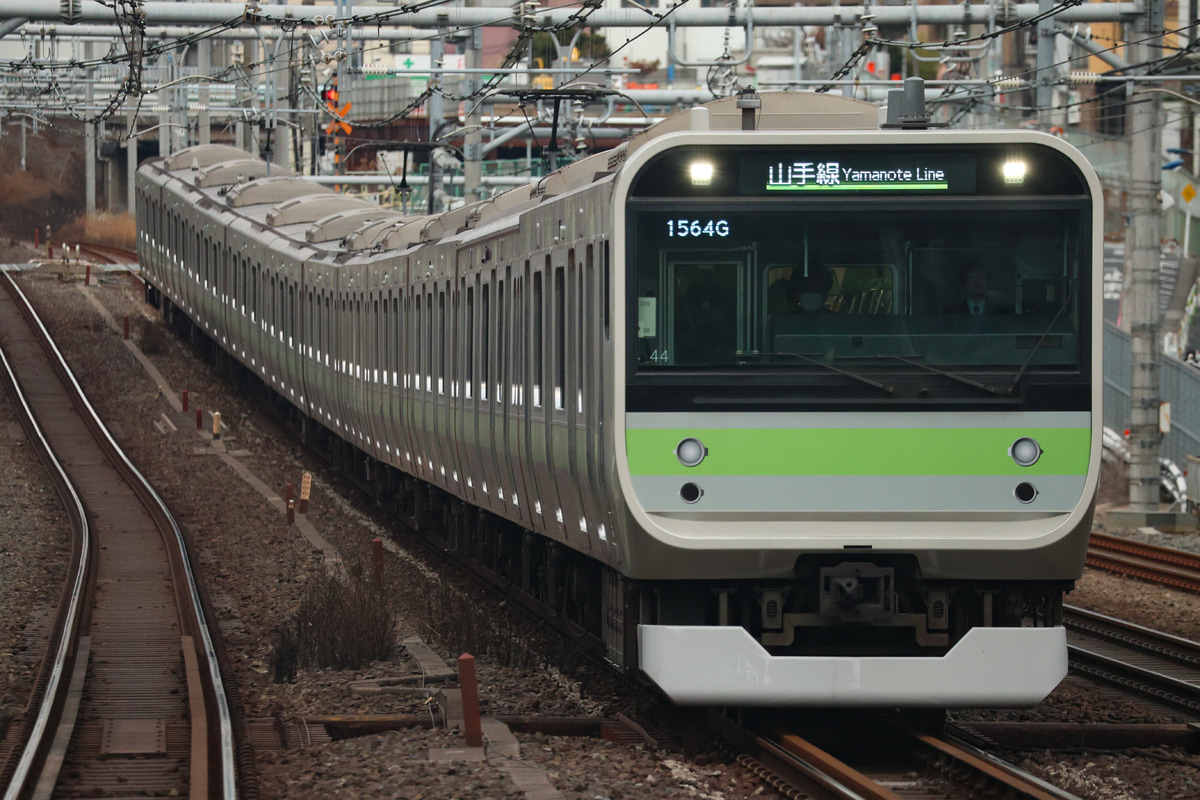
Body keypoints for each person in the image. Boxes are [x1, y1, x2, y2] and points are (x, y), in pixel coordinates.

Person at [943, 263, 1011, 315]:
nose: (977, 282)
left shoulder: (1001, 311)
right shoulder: (951, 312)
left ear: (987, 282)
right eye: (971, 278)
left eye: (981, 277)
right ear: (964, 283)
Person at [768, 267, 833, 314]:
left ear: (825, 294)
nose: (811, 295)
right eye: (806, 290)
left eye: (817, 290)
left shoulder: (835, 321)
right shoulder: (786, 321)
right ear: (797, 294)